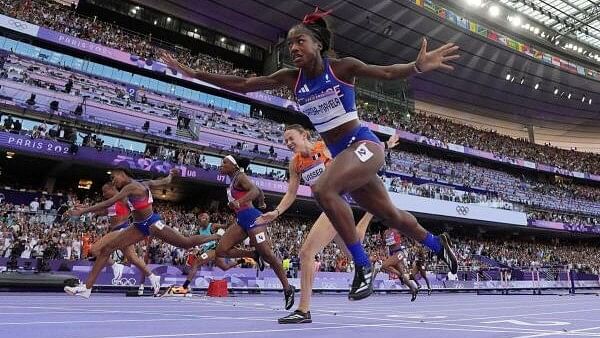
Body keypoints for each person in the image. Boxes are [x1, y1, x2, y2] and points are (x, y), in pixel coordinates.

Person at [160, 8, 459, 300]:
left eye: (299, 41)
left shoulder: (342, 68)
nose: (292, 48)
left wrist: (416, 66)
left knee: (323, 187)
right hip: (345, 154)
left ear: (318, 44)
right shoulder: (292, 78)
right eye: (289, 43)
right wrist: (191, 73)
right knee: (390, 215)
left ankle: (363, 264)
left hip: (365, 145)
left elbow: (386, 72)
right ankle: (437, 243)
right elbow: (244, 84)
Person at [255, 124, 374, 324]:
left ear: (304, 135)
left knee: (306, 254)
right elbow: (291, 193)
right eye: (285, 141)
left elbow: (352, 156)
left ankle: (303, 310)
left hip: (337, 204)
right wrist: (275, 212)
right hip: (327, 207)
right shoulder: (295, 164)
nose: (288, 143)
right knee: (351, 251)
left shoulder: (325, 147)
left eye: (291, 138)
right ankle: (370, 246)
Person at [64, 168, 220, 298]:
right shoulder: (144, 183)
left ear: (122, 173)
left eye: (114, 177)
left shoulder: (131, 187)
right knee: (106, 249)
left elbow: (110, 201)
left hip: (152, 223)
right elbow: (164, 181)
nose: (113, 181)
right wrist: (171, 175)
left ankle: (214, 236)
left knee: (186, 243)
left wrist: (83, 211)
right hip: (138, 226)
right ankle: (87, 288)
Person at [215, 155, 295, 310]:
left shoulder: (240, 176)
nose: (221, 165)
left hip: (253, 218)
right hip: (241, 219)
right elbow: (258, 192)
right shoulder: (233, 179)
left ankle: (287, 288)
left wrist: (239, 202)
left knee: (268, 255)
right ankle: (253, 255)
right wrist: (262, 201)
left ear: (234, 166)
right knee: (221, 250)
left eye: (225, 162)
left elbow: (254, 190)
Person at [65, 183, 161, 297]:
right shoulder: (113, 202)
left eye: (105, 191)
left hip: (123, 229)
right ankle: (153, 277)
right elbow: (102, 211)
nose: (103, 194)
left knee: (95, 249)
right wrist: (83, 210)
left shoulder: (123, 198)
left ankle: (115, 266)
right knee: (132, 258)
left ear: (112, 188)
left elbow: (131, 206)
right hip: (120, 231)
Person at [181, 212, 259, 292]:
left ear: (207, 220)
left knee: (196, 263)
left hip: (215, 249)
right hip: (209, 251)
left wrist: (230, 221)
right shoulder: (199, 230)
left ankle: (185, 286)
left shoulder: (212, 226)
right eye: (201, 220)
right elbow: (194, 240)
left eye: (205, 218)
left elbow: (225, 226)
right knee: (224, 267)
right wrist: (193, 248)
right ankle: (243, 260)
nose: (203, 220)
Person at [380, 228, 419, 301]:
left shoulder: (396, 229)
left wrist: (414, 241)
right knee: (403, 275)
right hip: (392, 254)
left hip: (399, 252)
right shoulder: (385, 232)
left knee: (384, 265)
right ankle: (413, 289)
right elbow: (384, 243)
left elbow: (407, 232)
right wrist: (384, 243)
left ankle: (400, 276)